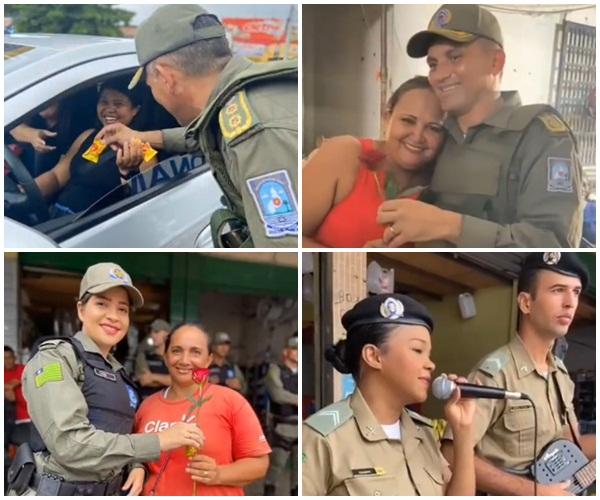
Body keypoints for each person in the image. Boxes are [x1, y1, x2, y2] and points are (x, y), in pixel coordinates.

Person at [378, 4, 584, 248]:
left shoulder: (540, 136)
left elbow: (553, 244)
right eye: (433, 64)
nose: (439, 75)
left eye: (455, 58)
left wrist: (450, 226)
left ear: (495, 62)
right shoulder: (438, 134)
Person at [96, 5, 298, 248]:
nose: (154, 93)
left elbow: (284, 246)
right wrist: (139, 136)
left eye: (150, 86)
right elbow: (210, 131)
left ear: (166, 77)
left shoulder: (257, 136)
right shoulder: (241, 102)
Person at [11, 263, 204, 496]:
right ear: (81, 309)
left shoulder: (118, 372)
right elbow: (71, 445)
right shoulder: (55, 358)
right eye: (101, 304)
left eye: (122, 309)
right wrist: (158, 441)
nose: (113, 316)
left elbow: (119, 431)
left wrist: (136, 465)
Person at [441, 252, 596, 495]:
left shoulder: (561, 375)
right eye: (557, 290)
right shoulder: (495, 374)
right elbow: (451, 455)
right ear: (526, 303)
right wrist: (534, 491)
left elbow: (567, 444)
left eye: (575, 292)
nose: (570, 302)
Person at [303, 294, 476, 495]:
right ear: (374, 356)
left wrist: (463, 431)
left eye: (428, 354)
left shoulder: (423, 433)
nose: (431, 364)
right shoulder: (323, 438)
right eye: (418, 350)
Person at [303, 76, 445, 248]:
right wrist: (355, 260)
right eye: (408, 121)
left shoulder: (447, 193)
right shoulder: (344, 153)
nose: (417, 136)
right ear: (387, 117)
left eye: (433, 128)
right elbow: (285, 239)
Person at [134, 323, 272, 495]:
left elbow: (259, 463)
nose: (184, 360)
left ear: (208, 360)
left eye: (195, 352)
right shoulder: (147, 406)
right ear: (165, 356)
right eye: (176, 350)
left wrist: (219, 474)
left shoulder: (231, 401)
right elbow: (134, 456)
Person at [32, 76, 154, 219]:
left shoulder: (143, 148)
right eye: (104, 102)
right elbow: (57, 176)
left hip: (87, 226)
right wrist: (26, 192)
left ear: (135, 110)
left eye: (118, 104)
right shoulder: (88, 136)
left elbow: (147, 199)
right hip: (56, 216)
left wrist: (125, 174)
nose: (110, 109)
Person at [264, 336, 298, 495]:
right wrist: (296, 399)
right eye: (294, 349)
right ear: (286, 352)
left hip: (302, 426)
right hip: (282, 427)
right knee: (276, 467)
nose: (298, 352)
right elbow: (277, 394)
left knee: (299, 472)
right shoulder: (275, 370)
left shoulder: (304, 372)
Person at [135, 319, 171, 400]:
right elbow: (144, 381)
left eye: (156, 332)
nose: (152, 335)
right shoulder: (144, 355)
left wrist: (152, 377)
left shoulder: (173, 358)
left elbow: (178, 381)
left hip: (167, 403)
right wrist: (168, 380)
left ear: (167, 334)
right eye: (151, 332)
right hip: (147, 401)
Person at [4, 347, 32, 448]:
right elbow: (10, 397)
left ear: (14, 357)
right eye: (3, 358)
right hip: (13, 421)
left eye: (9, 357)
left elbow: (13, 396)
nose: (6, 361)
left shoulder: (23, 369)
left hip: (29, 417)